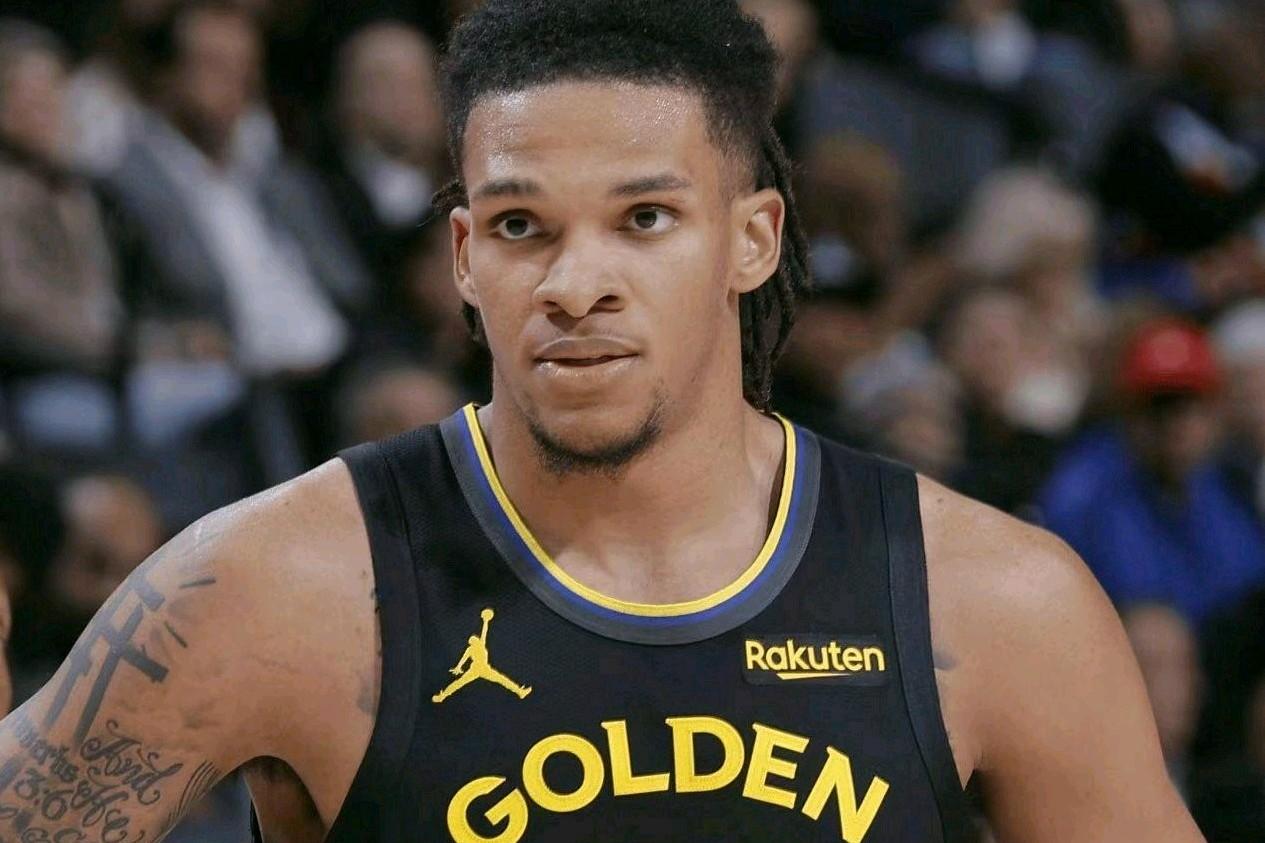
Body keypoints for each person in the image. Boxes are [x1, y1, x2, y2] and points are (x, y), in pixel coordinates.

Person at [0, 2, 1203, 841]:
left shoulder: (989, 603)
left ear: (752, 239)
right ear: (464, 256)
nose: (575, 284)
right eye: (520, 226)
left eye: (642, 219)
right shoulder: (272, 586)